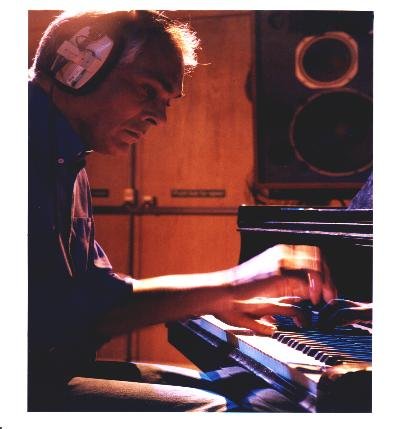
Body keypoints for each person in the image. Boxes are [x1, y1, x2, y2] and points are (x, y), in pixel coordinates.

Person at [28, 9, 337, 412]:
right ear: (75, 68)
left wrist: (213, 300)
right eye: (147, 91)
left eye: (167, 102)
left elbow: (97, 292)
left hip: (46, 370)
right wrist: (230, 284)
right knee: (223, 410)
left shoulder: (67, 160)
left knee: (237, 392)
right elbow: (53, 315)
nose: (159, 117)